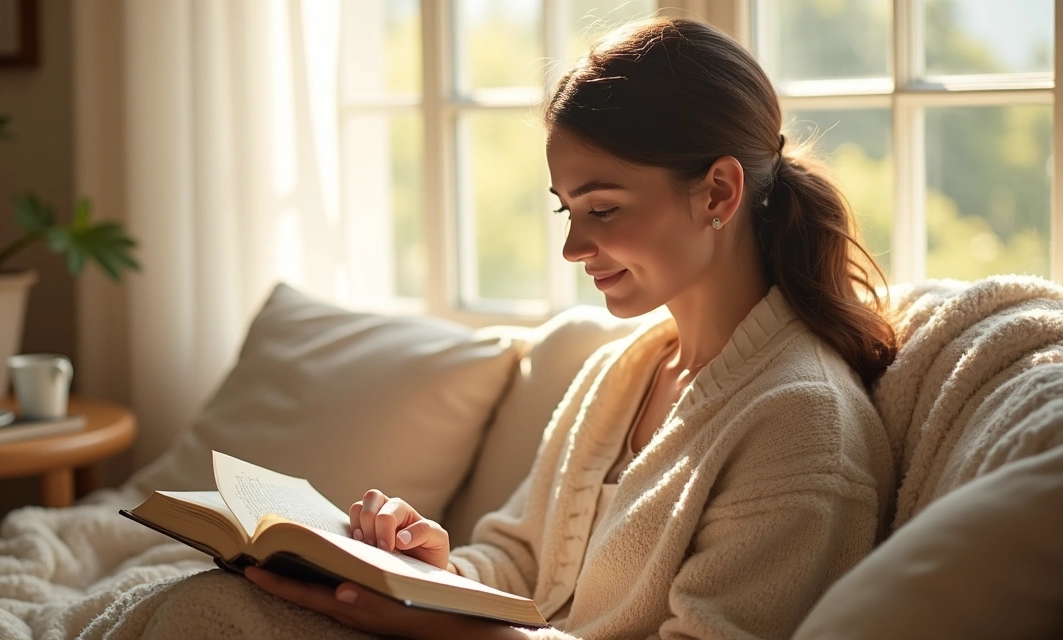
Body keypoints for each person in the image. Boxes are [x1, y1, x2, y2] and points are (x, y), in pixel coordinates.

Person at [245, 16, 898, 639]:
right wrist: (426, 569)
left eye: (604, 208)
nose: (573, 248)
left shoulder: (804, 423)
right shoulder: (621, 374)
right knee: (215, 599)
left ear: (719, 193)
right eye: (567, 209)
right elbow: (520, 570)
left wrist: (445, 630)